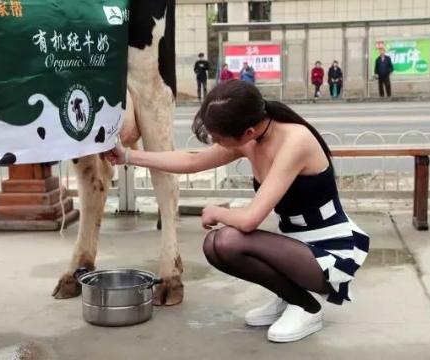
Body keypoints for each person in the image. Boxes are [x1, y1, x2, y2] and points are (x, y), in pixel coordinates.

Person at [105, 80, 370, 343]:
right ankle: (290, 296)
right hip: (292, 244)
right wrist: (127, 156)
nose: (216, 143)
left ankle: (308, 308)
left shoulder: (294, 141)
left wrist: (215, 211)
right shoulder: (252, 137)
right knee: (216, 246)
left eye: (220, 138)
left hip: (329, 251)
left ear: (248, 131)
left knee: (225, 241)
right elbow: (193, 160)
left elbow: (250, 219)